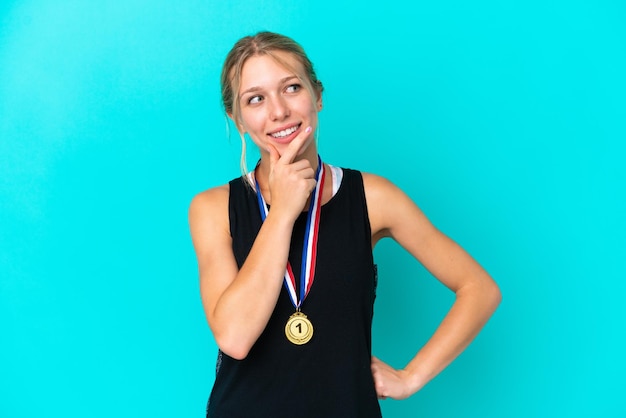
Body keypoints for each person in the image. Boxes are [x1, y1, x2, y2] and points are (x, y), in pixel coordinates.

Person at [189, 31, 501, 418]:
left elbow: (479, 288)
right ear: (237, 119)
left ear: (317, 95)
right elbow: (235, 338)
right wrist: (284, 210)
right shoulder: (213, 208)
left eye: (291, 88)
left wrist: (411, 377)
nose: (279, 111)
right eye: (256, 99)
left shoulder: (374, 197)